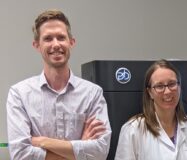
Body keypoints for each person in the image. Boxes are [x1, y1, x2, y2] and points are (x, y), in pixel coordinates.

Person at [6, 9, 111, 160]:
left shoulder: (92, 93)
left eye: (61, 37)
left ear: (71, 42)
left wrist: (42, 142)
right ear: (36, 45)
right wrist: (81, 146)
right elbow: (20, 155)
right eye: (48, 38)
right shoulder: (19, 94)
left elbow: (101, 152)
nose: (56, 44)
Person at [115, 59, 187, 160]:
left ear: (179, 87)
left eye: (172, 84)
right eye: (159, 86)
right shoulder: (133, 129)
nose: (167, 91)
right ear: (150, 92)